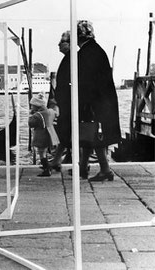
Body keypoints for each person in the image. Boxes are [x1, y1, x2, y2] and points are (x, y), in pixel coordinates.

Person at [76, 20, 121, 182]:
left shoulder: (86, 53)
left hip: (95, 102)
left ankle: (104, 169)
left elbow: (86, 81)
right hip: (103, 100)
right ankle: (85, 168)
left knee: (95, 135)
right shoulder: (96, 49)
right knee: (93, 134)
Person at [48, 31, 72, 172]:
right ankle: (57, 160)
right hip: (65, 103)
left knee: (70, 132)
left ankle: (81, 163)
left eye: (61, 42)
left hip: (69, 103)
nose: (58, 44)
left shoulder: (71, 59)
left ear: (69, 44)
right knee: (65, 132)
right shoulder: (68, 59)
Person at [28, 92, 60, 177]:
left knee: (41, 152)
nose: (31, 107)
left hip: (41, 135)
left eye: (32, 105)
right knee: (47, 151)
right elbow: (56, 114)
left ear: (37, 106)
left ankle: (46, 169)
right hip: (51, 134)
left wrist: (31, 115)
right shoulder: (51, 111)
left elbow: (31, 124)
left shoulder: (37, 115)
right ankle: (53, 165)